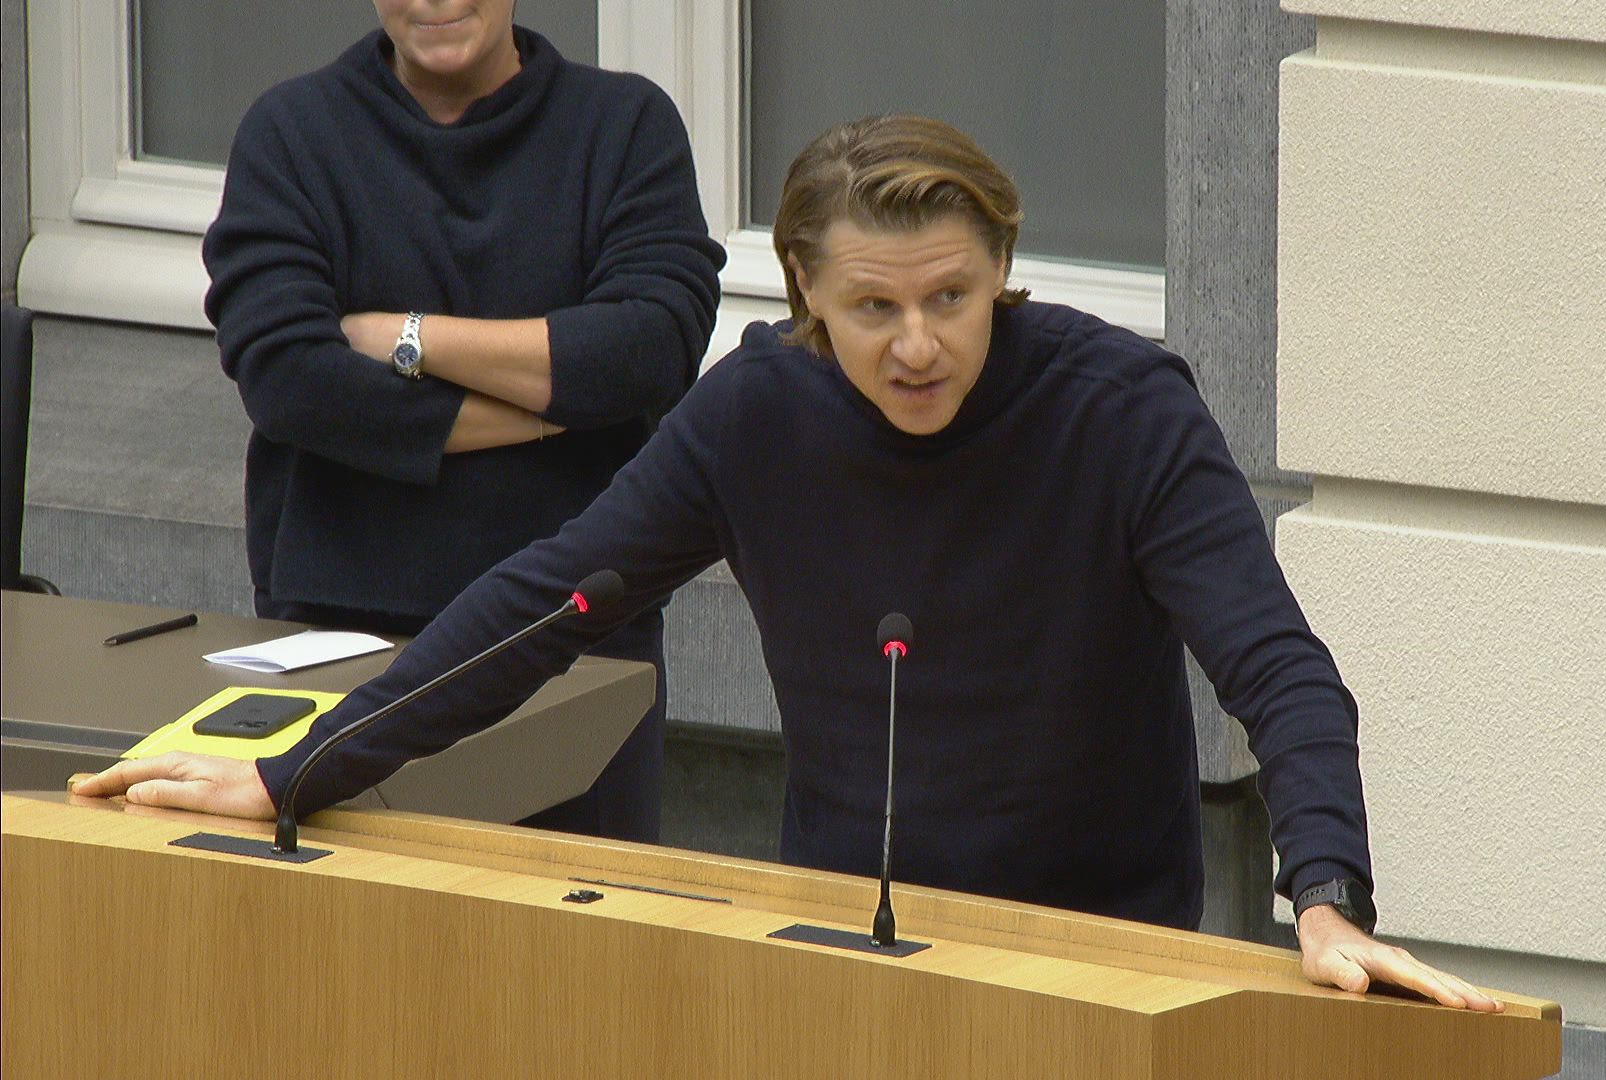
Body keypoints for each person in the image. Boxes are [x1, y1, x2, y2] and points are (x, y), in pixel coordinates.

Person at [86, 114, 1498, 1011]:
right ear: (806, 290)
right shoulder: (757, 411)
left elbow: (1278, 669)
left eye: (953, 297)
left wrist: (1327, 901)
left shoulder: (1122, 411)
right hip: (846, 934)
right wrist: (299, 772)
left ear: (1003, 268)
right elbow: (550, 600)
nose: (919, 344)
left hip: (1097, 952)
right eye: (873, 307)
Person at [198, 0, 724, 842]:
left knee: (575, 915)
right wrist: (555, 407)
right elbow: (290, 379)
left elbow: (651, 347)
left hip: (578, 635)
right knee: (350, 917)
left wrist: (404, 337)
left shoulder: (623, 126)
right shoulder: (293, 133)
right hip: (342, 628)